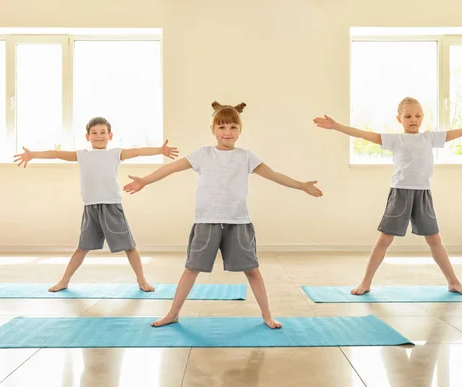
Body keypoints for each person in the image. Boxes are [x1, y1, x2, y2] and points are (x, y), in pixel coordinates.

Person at [124, 101, 323, 328]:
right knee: (191, 269)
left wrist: (301, 185)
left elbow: (274, 175)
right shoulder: (203, 154)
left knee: (252, 270)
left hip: (237, 222)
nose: (227, 132)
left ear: (239, 130)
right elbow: (170, 168)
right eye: (221, 127)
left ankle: (267, 315)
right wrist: (145, 180)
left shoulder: (246, 156)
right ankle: (173, 313)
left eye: (232, 127)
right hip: (206, 221)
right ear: (213, 130)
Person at [313, 97, 462, 296]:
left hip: (423, 194)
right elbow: (365, 135)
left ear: (423, 117)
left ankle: (453, 282)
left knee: (435, 240)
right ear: (399, 119)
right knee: (384, 240)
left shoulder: (430, 138)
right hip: (400, 193)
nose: (413, 119)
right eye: (407, 116)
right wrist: (336, 126)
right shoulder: (396, 140)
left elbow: (459, 133)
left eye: (417, 115)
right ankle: (365, 282)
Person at [14, 116, 179, 292]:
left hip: (111, 206)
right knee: (82, 247)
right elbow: (57, 154)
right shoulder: (82, 155)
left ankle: (141, 281)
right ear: (87, 137)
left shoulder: (115, 153)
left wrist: (160, 150)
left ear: (110, 135)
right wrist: (33, 155)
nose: (98, 136)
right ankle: (64, 281)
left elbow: (137, 151)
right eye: (94, 133)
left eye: (102, 132)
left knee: (129, 247)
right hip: (91, 207)